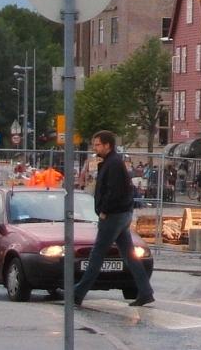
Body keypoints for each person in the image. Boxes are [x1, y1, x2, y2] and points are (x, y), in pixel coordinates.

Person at [73, 131, 154, 308]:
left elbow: (114, 191)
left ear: (107, 145)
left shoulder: (114, 163)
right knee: (129, 255)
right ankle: (146, 291)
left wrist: (104, 210)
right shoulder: (111, 162)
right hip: (120, 215)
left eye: (98, 144)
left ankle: (78, 293)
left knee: (97, 254)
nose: (95, 148)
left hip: (113, 215)